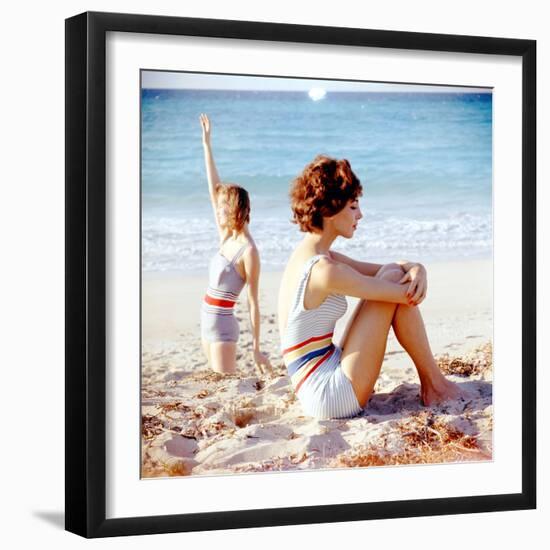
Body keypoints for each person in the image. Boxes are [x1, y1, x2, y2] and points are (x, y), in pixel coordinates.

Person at [278, 154, 467, 419]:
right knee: (392, 280)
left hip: (320, 373)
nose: (360, 215)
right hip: (329, 396)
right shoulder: (324, 271)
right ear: (331, 209)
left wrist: (416, 267)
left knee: (390, 273)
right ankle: (435, 385)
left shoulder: (313, 256)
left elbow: (384, 269)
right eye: (353, 206)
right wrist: (414, 277)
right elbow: (402, 293)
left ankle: (434, 383)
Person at [199, 113, 271, 375]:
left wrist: (256, 348)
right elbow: (213, 187)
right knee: (213, 382)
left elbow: (253, 302)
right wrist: (207, 145)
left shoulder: (248, 251)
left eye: (221, 208)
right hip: (205, 319)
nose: (216, 211)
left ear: (233, 211)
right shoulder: (225, 235)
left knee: (224, 383)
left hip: (222, 328)